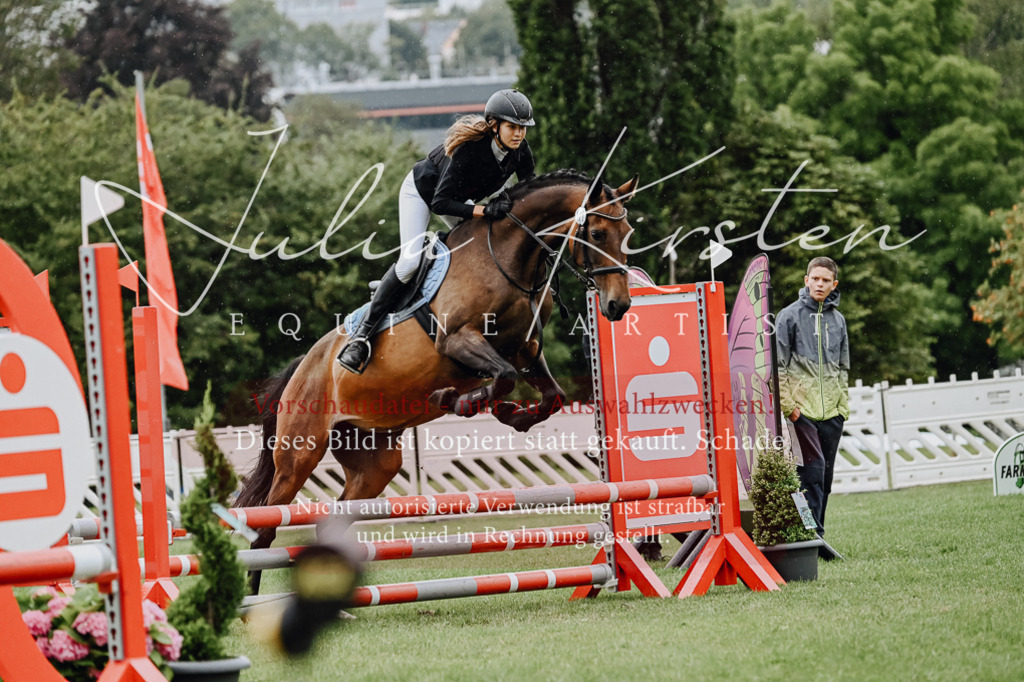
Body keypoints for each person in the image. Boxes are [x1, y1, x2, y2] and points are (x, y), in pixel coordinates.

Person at [338, 89, 537, 374]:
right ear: (494, 125)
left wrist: (510, 200)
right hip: (423, 192)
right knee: (409, 262)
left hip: (462, 199)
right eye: (512, 127)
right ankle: (362, 336)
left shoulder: (520, 152)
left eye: (523, 128)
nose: (519, 134)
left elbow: (529, 190)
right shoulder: (470, 149)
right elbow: (440, 202)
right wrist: (484, 210)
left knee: (488, 248)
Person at [776, 256, 849, 538]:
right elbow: (777, 366)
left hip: (832, 413)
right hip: (801, 412)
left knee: (825, 480)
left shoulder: (838, 320)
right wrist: (790, 408)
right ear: (806, 280)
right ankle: (811, 535)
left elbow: (843, 366)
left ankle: (817, 534)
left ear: (834, 285)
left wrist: (843, 407)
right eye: (815, 278)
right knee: (810, 476)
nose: (820, 284)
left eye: (825, 280)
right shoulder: (789, 316)